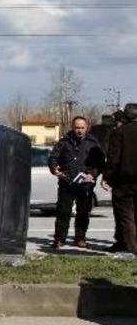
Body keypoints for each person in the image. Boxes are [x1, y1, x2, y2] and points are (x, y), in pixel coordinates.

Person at [48, 116, 104, 249]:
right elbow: (53, 158)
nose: (79, 130)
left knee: (83, 213)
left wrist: (93, 174)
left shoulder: (93, 143)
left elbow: (100, 163)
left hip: (85, 184)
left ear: (87, 127)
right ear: (73, 128)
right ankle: (59, 239)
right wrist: (54, 168)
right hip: (66, 182)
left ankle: (80, 238)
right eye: (77, 128)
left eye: (82, 128)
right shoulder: (64, 142)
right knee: (63, 212)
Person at [103, 103, 137, 254]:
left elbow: (113, 159)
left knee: (125, 215)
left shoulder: (119, 132)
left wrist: (107, 177)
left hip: (124, 181)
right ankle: (123, 244)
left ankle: (130, 248)